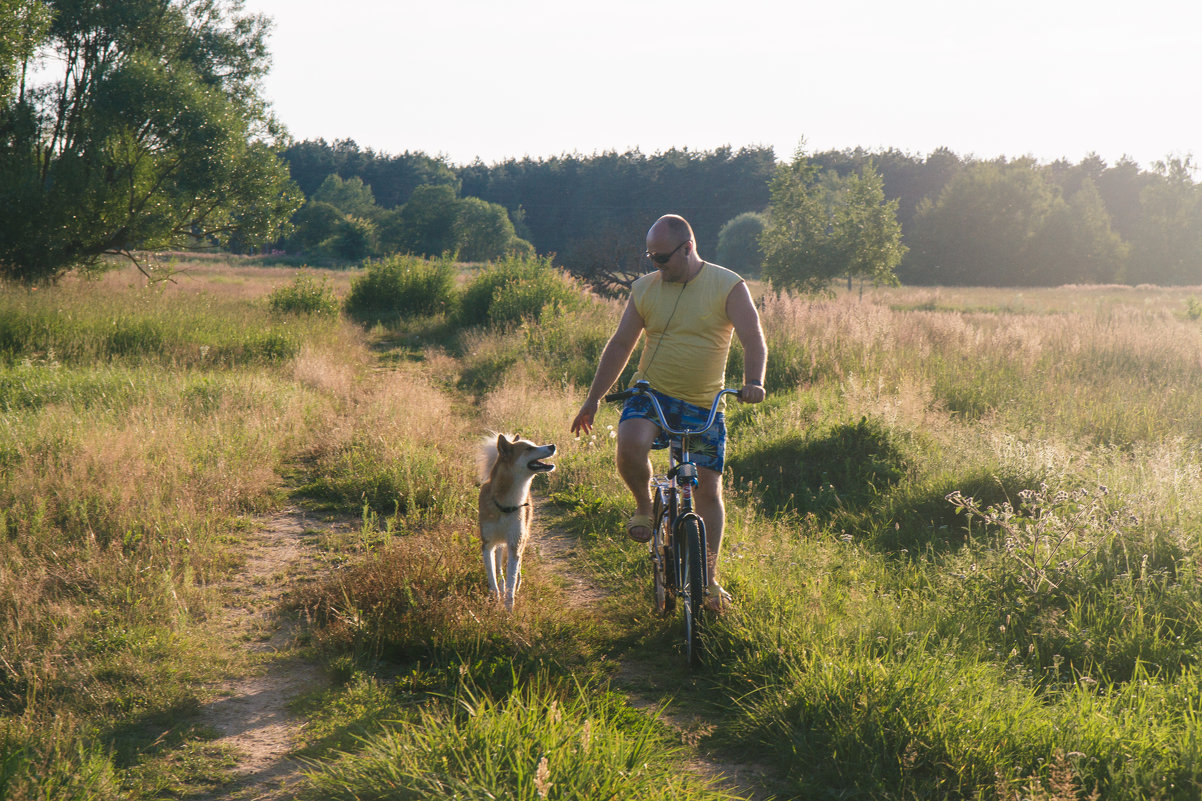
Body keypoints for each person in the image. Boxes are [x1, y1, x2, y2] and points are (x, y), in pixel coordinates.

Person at [570, 214, 767, 609]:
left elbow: (753, 339)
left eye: (661, 258)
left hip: (704, 402)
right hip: (652, 394)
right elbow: (621, 344)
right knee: (629, 442)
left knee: (708, 489)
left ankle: (708, 580)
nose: (655, 266)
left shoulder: (728, 285)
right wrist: (592, 400)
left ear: (688, 248)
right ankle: (644, 507)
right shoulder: (645, 289)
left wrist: (755, 381)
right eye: (651, 257)